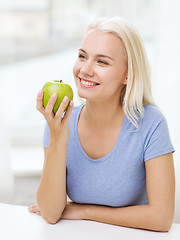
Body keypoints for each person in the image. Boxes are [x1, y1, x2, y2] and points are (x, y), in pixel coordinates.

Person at [28, 17, 175, 232]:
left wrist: (84, 211)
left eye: (102, 61)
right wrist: (58, 137)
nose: (85, 70)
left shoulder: (150, 123)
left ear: (127, 74)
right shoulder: (60, 120)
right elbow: (50, 213)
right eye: (82, 56)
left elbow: (161, 218)